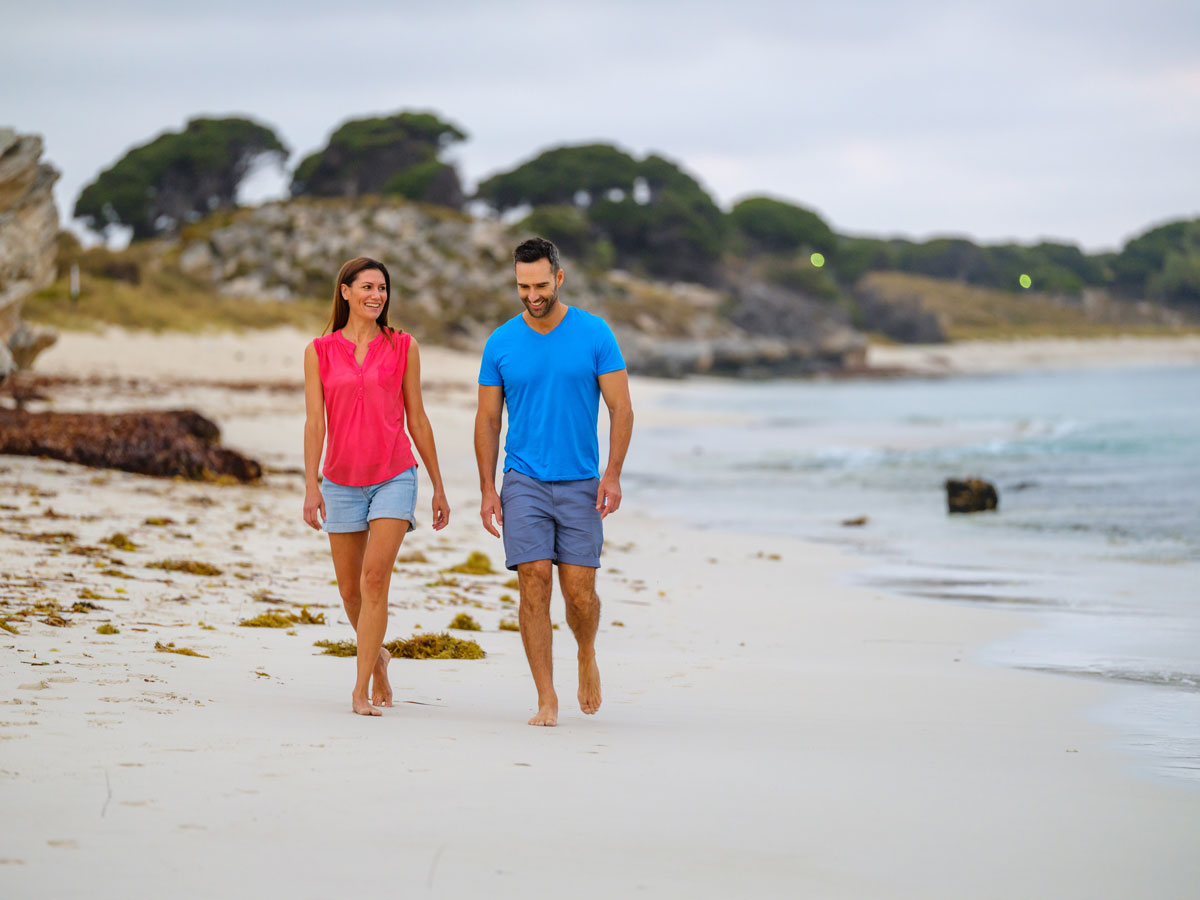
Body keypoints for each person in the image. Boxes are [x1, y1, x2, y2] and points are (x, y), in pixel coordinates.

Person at [475, 237, 634, 726]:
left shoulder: (595, 333)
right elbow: (487, 421)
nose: (532, 295)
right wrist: (487, 489)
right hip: (523, 479)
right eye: (523, 286)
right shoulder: (500, 342)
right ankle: (546, 696)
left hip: (582, 481)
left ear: (559, 278)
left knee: (580, 593)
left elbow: (621, 408)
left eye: (540, 284)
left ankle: (585, 651)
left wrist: (612, 474)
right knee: (534, 580)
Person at [302, 256, 450, 717]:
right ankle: (379, 658)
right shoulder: (319, 351)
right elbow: (314, 423)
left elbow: (418, 418)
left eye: (382, 288)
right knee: (350, 592)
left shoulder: (404, 346)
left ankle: (360, 688)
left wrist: (438, 487)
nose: (376, 296)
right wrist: (312, 484)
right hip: (341, 480)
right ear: (344, 291)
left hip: (394, 474)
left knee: (373, 580)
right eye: (367, 287)